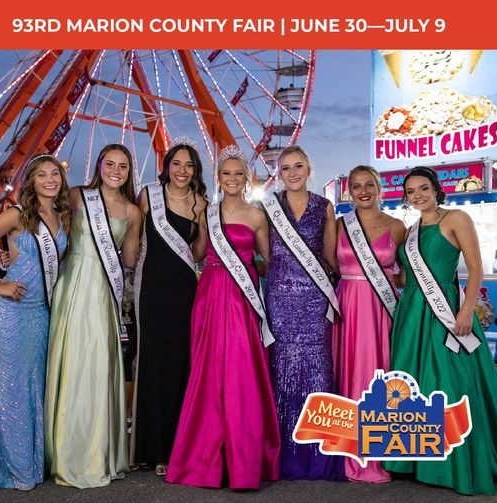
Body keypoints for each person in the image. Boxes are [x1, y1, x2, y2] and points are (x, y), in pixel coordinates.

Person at [384, 166, 497, 495]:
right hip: (411, 315)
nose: (418, 195)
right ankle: (413, 460)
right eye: (411, 191)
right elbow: (407, 279)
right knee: (411, 383)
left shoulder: (456, 219)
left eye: (423, 188)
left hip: (446, 312)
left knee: (449, 383)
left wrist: (467, 309)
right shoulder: (411, 230)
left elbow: (476, 268)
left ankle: (453, 464)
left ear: (436, 189)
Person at [165, 146, 280, 489]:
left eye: (238, 174)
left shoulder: (258, 215)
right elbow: (198, 253)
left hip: (242, 298)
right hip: (211, 293)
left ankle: (243, 461)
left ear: (247, 178)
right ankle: (207, 460)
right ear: (219, 178)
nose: (232, 179)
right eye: (226, 174)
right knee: (209, 370)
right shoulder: (207, 213)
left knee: (241, 370)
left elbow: (268, 260)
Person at [45, 144, 143, 488]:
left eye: (123, 166)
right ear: (99, 165)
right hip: (71, 286)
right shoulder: (76, 196)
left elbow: (129, 260)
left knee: (97, 362)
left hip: (103, 290)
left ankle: (95, 449)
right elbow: (52, 231)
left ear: (129, 172)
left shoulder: (133, 211)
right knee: (71, 361)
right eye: (110, 164)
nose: (116, 170)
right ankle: (62, 448)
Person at [0, 155, 70, 490]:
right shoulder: (17, 215)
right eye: (42, 175)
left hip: (41, 312)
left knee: (35, 387)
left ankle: (33, 463)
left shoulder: (63, 216)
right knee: (12, 389)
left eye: (55, 174)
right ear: (31, 181)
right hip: (11, 310)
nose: (50, 180)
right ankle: (17, 469)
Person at [263, 145, 344, 480]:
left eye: (298, 166)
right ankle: (283, 451)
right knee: (282, 372)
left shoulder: (324, 207)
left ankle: (318, 450)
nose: (292, 173)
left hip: (314, 299)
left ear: (309, 169)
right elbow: (266, 256)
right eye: (285, 168)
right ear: (278, 174)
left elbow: (329, 256)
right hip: (280, 298)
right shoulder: (268, 207)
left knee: (317, 370)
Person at [129, 139, 207, 476]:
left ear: (195, 171)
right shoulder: (148, 196)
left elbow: (200, 251)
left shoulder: (200, 203)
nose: (182, 171)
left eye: (189, 165)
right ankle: (152, 447)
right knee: (152, 362)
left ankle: (177, 444)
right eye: (176, 163)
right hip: (152, 289)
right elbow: (132, 242)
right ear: (167, 166)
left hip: (184, 290)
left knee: (179, 364)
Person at [331, 165, 405, 483]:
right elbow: (331, 264)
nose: (362, 191)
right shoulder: (338, 225)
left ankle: (381, 450)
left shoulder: (398, 226)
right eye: (356, 186)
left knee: (379, 373)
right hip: (348, 304)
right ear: (349, 191)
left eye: (369, 185)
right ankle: (349, 446)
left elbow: (405, 272)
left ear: (379, 188)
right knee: (347, 372)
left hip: (380, 309)